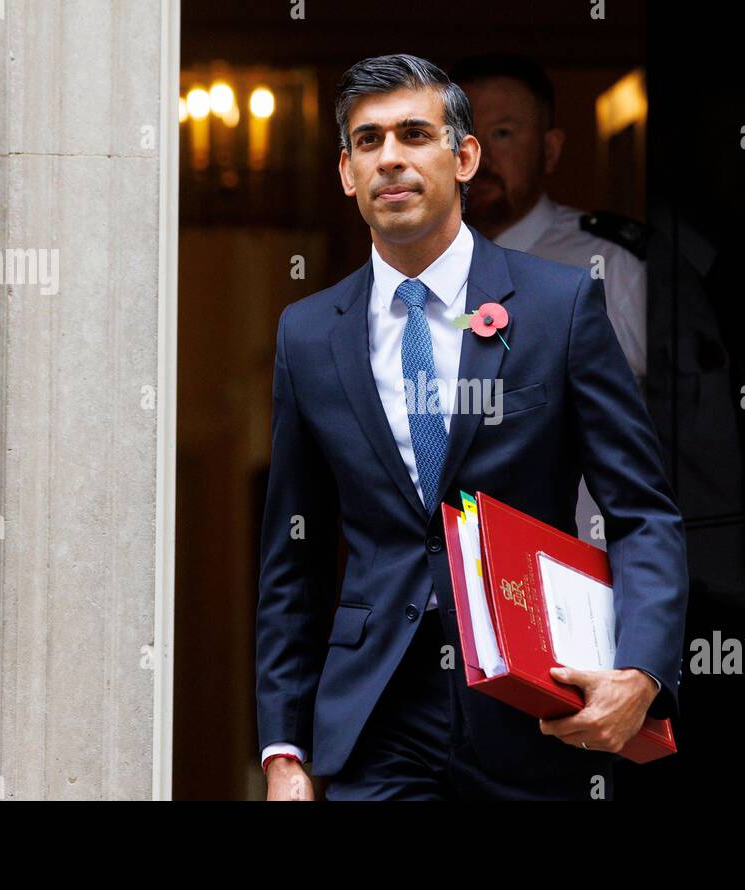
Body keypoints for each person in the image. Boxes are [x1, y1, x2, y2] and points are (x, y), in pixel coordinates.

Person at [255, 54, 688, 801]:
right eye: (367, 141)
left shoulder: (559, 307)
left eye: (415, 134)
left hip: (535, 707)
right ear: (347, 174)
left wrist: (640, 674)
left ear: (463, 157)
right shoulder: (306, 335)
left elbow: (643, 513)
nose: (390, 157)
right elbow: (293, 558)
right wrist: (284, 749)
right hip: (372, 720)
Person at [453, 53, 651, 552]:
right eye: (465, 136)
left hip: (579, 572)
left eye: (503, 134)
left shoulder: (610, 264)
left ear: (550, 150)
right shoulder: (414, 272)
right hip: (448, 583)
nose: (481, 155)